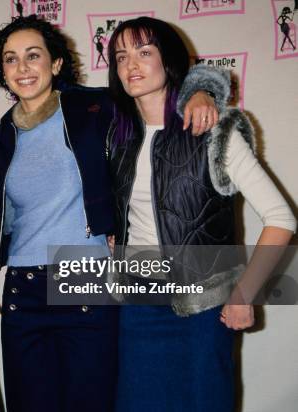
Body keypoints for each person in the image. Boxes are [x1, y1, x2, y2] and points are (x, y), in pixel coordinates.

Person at [0, 14, 224, 412]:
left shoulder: (94, 108)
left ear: (56, 63)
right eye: (11, 59)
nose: (23, 68)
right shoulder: (0, 136)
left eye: (33, 55)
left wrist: (201, 91)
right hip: (22, 288)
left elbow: (152, 84)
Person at [106, 16, 296, 412]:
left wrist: (244, 294)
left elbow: (281, 218)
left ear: (169, 60)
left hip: (202, 308)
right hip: (137, 305)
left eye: (144, 52)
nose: (131, 65)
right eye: (121, 56)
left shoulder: (214, 130)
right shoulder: (118, 136)